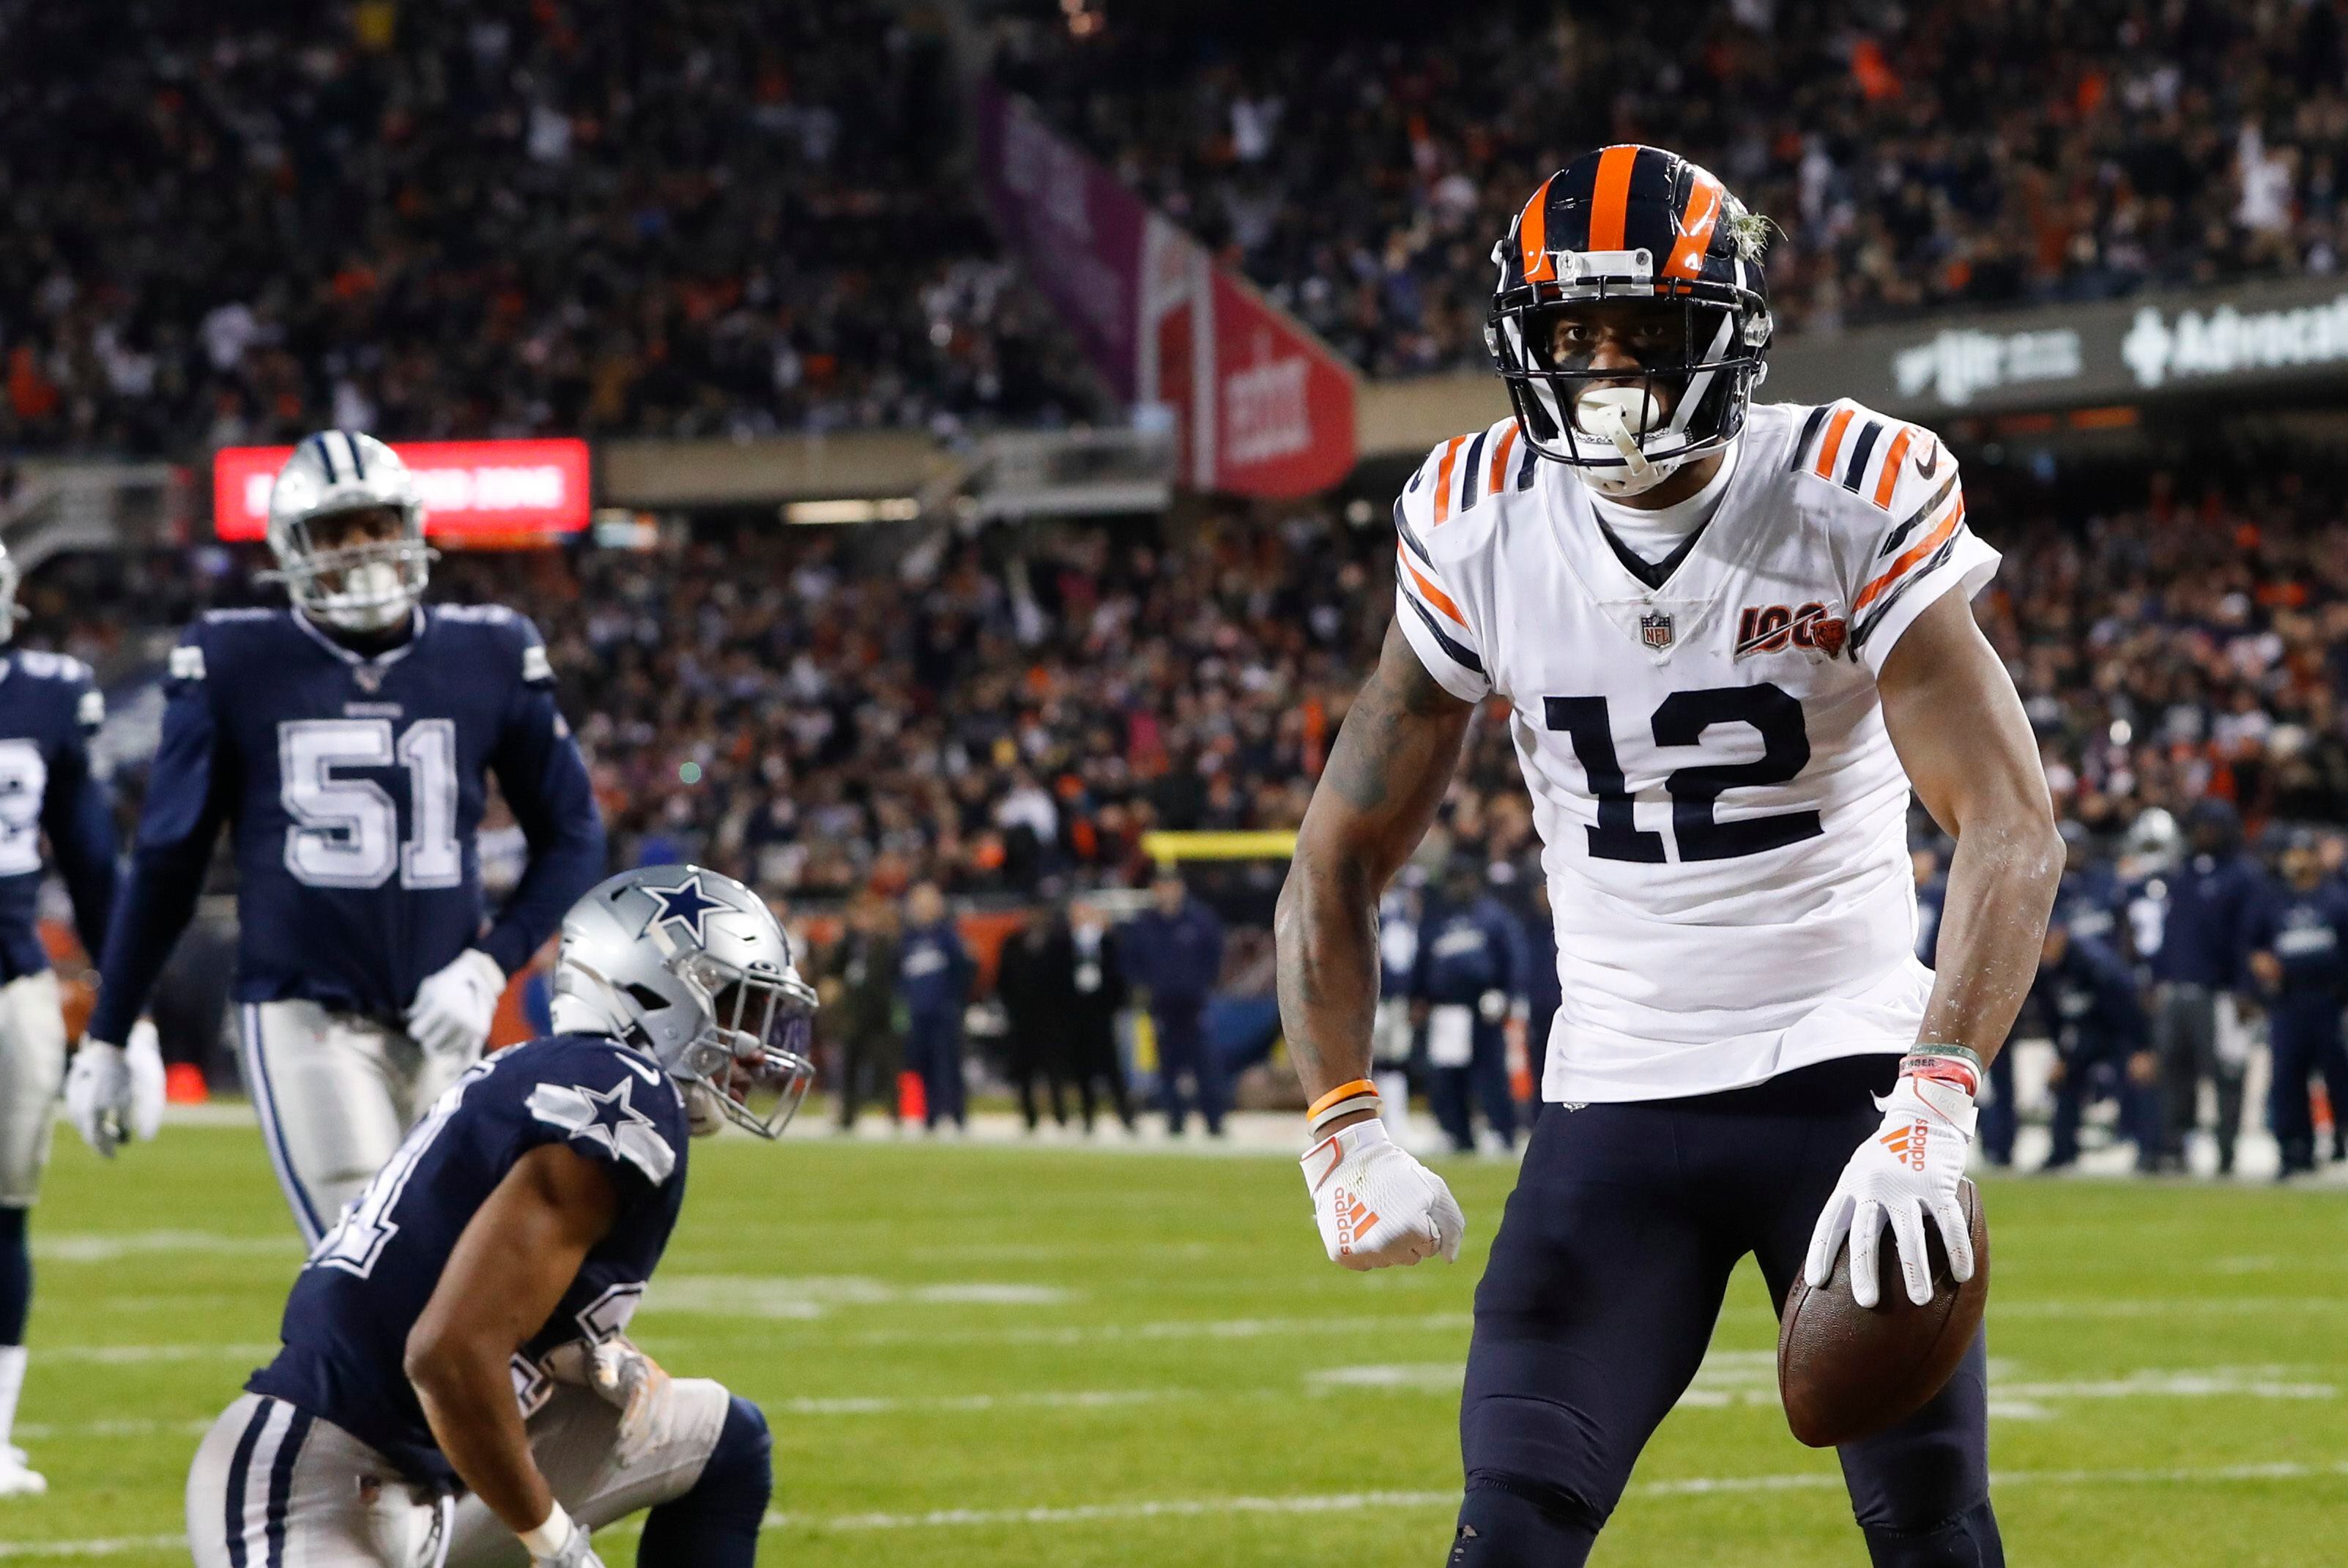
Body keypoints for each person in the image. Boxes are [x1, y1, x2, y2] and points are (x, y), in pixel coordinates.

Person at [1275, 144, 2059, 1565]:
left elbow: (2009, 823)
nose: (1604, 370)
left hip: (1848, 1084)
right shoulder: (1475, 517)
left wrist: (1933, 1103)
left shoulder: (1848, 490)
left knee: (1930, 1528)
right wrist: (1341, 1119)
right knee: (1510, 1525)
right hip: (1617, 1093)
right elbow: (1339, 848)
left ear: (1728, 332)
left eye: (1641, 329)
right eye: (1570, 335)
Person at [185, 865, 811, 1568]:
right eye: (734, 1008)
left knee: (720, 1435)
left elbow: (465, 1283)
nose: (754, 1046)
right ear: (653, 991)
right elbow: (447, 1354)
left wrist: (587, 1351)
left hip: (426, 1482)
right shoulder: (626, 1092)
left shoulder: (553, 1071)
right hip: (314, 1482)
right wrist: (557, 1544)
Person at [67, 431, 606, 1242]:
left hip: (444, 1018)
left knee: (465, 1280)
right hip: (305, 1011)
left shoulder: (489, 649)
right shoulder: (235, 657)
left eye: (375, 524)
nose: (360, 549)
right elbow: (169, 861)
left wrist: (487, 963)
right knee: (373, 1266)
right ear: (291, 550)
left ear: (410, 528)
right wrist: (114, 1028)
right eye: (334, 532)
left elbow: (574, 833)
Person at [0, 541, 123, 1498]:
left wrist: (128, 1015)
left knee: (5, 1210)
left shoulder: (47, 695)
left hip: (11, 984)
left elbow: (90, 862)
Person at [2148, 798, 2263, 1175]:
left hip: (2222, 994)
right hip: (2177, 990)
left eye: (2213, 827)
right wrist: (2158, 978)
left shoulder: (2243, 876)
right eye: (2201, 826)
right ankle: (2176, 1150)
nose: (2205, 833)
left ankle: (2226, 1153)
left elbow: (2249, 937)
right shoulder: (2183, 873)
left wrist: (2245, 988)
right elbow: (2170, 933)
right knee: (2175, 1074)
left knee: (2226, 1074)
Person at [2245, 832, 2348, 1176]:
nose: (2297, 860)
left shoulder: (2336, 898)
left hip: (2330, 999)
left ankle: (2340, 1141)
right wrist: (2259, 963)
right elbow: (2253, 944)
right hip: (2287, 1000)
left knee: (2338, 1075)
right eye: (2292, 852)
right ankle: (2294, 1149)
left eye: (2304, 852)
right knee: (2288, 1076)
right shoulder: (2274, 899)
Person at [1411, 861, 1526, 1153]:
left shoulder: (1493, 917)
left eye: (1462, 879)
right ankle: (1455, 1132)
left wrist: (1508, 996)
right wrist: (1418, 997)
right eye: (1452, 880)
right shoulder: (1437, 918)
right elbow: (1422, 960)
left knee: (1490, 1073)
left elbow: (1513, 958)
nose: (1457, 887)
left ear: (1474, 881)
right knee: (1447, 1075)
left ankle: (1502, 1131)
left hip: (1483, 1008)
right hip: (1446, 1008)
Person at [2029, 917, 2159, 1170]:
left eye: (2048, 942)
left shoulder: (2095, 962)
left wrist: (2142, 1048)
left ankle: (2149, 1150)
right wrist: (2061, 1055)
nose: (2044, 951)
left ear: (2061, 935)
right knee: (2067, 1081)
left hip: (2117, 1028)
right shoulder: (2043, 972)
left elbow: (2129, 1004)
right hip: (2085, 1032)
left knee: (2138, 1080)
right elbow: (2052, 1017)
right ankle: (2062, 1152)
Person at [1126, 869, 1227, 1137]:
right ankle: (1174, 1121)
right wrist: (1147, 987)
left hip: (1195, 1005)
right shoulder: (1145, 925)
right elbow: (1131, 962)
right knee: (1167, 1068)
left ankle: (1214, 1121)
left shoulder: (1200, 920)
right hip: (1162, 1006)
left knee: (1205, 1064)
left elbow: (1215, 955)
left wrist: (1202, 984)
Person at [824, 892, 902, 1132]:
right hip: (853, 1014)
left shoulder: (886, 944)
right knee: (851, 1065)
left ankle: (895, 1114)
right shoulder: (848, 944)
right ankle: (848, 1116)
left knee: (887, 1065)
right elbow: (833, 973)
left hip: (879, 1013)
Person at [897, 882, 970, 1132]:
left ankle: (957, 1114)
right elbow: (897, 975)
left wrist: (954, 1001)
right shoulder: (907, 939)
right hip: (918, 1012)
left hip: (944, 1011)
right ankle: (931, 1115)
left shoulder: (947, 936)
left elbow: (962, 972)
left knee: (949, 1063)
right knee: (924, 1064)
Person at [995, 904, 1075, 1132]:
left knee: (1055, 1070)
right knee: (1024, 1070)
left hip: (1051, 1019)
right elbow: (1003, 980)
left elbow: (1066, 981)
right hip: (1022, 1018)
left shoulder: (1059, 944)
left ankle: (1061, 1115)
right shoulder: (1013, 943)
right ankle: (1029, 1116)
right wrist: (1012, 1008)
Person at [1065, 897, 1136, 1134]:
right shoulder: (1065, 943)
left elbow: (1120, 978)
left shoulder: (1109, 943)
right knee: (1082, 1068)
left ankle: (1126, 1115)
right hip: (1077, 1015)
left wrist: (1112, 1004)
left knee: (1112, 1067)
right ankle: (1088, 1117)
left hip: (1103, 1014)